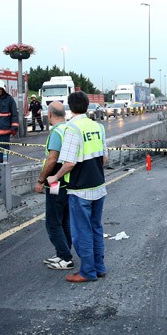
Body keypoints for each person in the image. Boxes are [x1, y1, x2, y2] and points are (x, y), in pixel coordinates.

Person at [47, 91, 108, 283]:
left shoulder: (71, 129)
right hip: (99, 186)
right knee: (96, 228)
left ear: (70, 107)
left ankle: (87, 272)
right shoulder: (98, 127)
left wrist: (54, 177)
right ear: (88, 106)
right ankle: (99, 267)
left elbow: (69, 163)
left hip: (80, 189)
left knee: (81, 231)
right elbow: (105, 158)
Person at [34, 101, 74, 270]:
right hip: (69, 181)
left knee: (52, 222)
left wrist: (41, 180)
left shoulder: (56, 132)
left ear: (49, 114)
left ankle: (65, 257)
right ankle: (63, 253)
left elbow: (52, 159)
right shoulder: (69, 129)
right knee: (64, 220)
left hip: (56, 181)